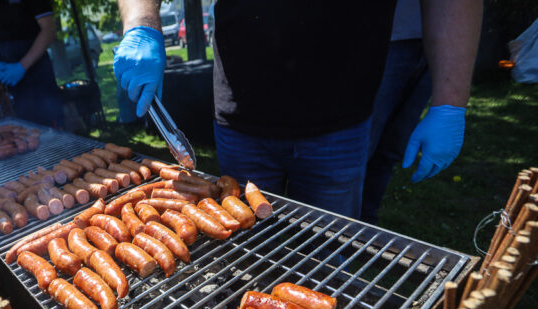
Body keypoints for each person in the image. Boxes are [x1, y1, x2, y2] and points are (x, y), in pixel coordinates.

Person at [113, 1, 481, 219]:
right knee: (248, 247)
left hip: (343, 118)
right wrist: (142, 27)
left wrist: (450, 103)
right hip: (240, 116)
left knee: (329, 252)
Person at [361, 0, 433, 225]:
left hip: (437, 42)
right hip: (383, 36)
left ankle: (366, 218)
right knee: (361, 145)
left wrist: (451, 106)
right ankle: (339, 223)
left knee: (393, 148)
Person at [0, 0, 65, 128]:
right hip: (6, 72)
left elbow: (49, 30)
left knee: (50, 123)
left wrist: (22, 66)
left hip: (36, 70)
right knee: (17, 126)